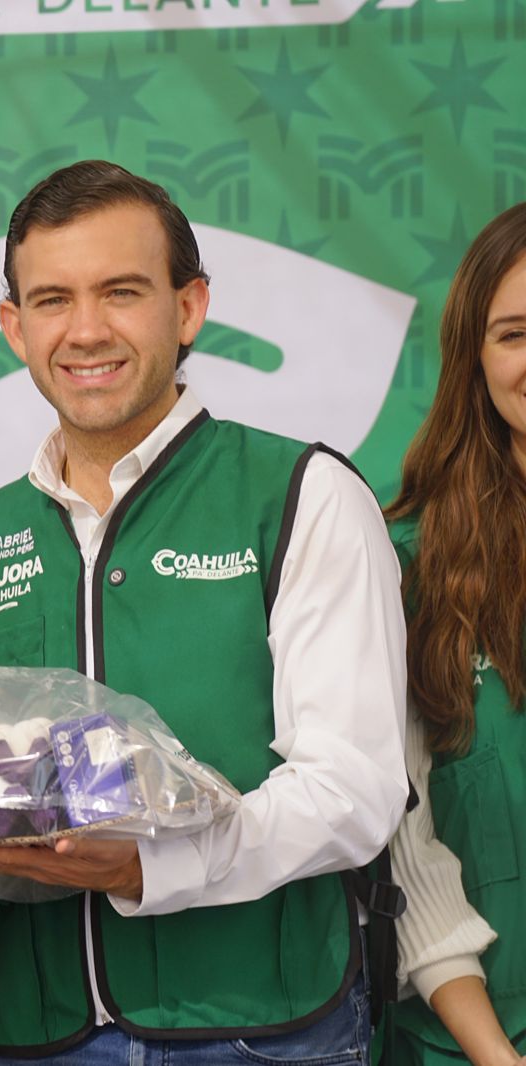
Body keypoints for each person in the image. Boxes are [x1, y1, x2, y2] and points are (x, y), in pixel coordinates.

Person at [0, 160, 409, 1062]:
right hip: (44, 1035)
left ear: (188, 308)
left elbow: (355, 790)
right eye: (53, 300)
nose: (86, 330)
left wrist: (153, 865)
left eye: (122, 291)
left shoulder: (301, 493)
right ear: (15, 327)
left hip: (262, 1031)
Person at [382, 202, 526, 1066]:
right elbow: (406, 853)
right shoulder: (405, 568)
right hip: (472, 1046)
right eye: (516, 334)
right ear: (475, 358)